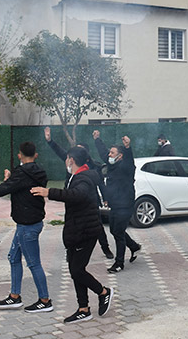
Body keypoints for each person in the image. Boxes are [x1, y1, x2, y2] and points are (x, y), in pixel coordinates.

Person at [0, 141, 52, 313]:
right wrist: (9, 181)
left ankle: (45, 300)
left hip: (28, 225)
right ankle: (14, 297)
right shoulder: (38, 172)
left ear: (20, 155)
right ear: (35, 155)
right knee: (13, 258)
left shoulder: (21, 173)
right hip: (26, 223)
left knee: (34, 263)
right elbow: (22, 189)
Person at [31, 146, 113, 324]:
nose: (65, 162)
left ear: (71, 160)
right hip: (77, 231)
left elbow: (77, 195)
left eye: (66, 159)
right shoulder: (79, 175)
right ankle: (83, 309)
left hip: (86, 231)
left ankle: (103, 292)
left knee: (77, 270)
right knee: (75, 270)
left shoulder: (83, 178)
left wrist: (48, 192)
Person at [43, 127, 114, 259]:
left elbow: (100, 184)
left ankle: (106, 248)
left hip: (89, 201)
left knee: (96, 225)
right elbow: (59, 151)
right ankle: (72, 249)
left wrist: (105, 198)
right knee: (73, 223)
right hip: (72, 199)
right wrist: (49, 140)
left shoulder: (92, 167)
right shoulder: (71, 161)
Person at [92, 130, 142, 273]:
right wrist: (97, 140)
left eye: (112, 153)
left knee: (118, 233)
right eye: (110, 153)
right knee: (115, 230)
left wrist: (128, 148)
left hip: (125, 206)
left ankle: (119, 263)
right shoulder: (112, 166)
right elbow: (103, 153)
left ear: (120, 156)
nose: (109, 155)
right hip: (115, 206)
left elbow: (130, 161)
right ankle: (134, 246)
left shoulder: (126, 167)